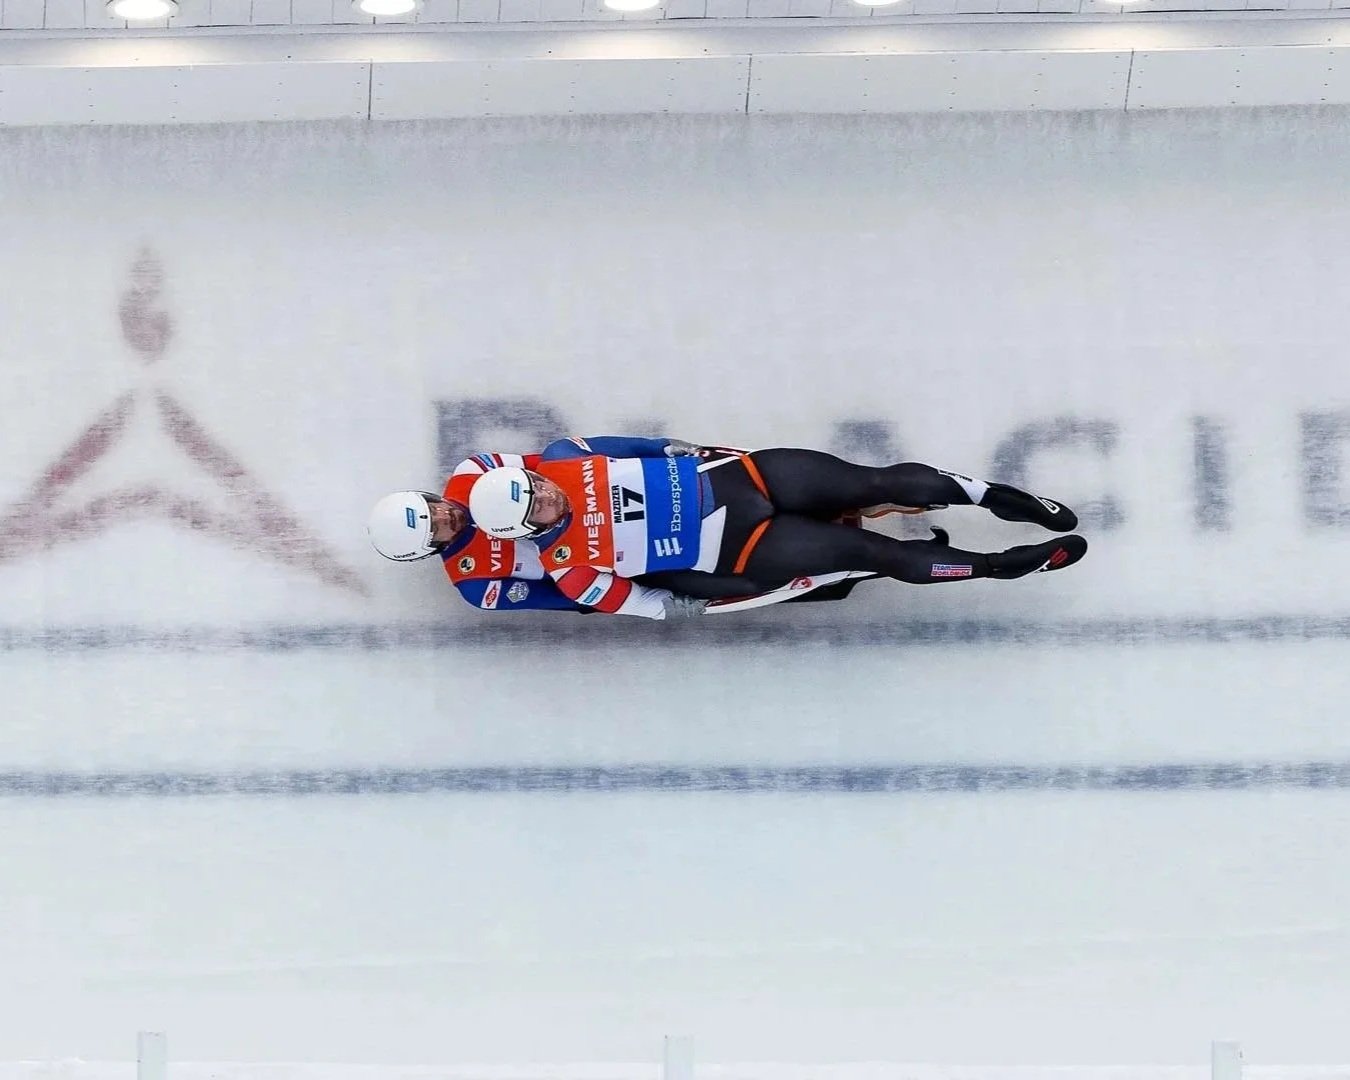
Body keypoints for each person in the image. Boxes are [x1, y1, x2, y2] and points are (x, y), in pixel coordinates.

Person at [468, 435, 1088, 619]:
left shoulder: (562, 457)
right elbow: (656, 604)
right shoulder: (572, 574)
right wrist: (726, 597)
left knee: (876, 483)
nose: (549, 492)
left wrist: (710, 451)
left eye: (538, 484)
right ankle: (1000, 566)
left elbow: (654, 446)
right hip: (745, 547)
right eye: (540, 505)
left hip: (746, 480)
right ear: (529, 530)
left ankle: (1000, 497)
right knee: (879, 555)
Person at [366, 452, 584, 612]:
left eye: (433, 508)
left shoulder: (472, 471)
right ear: (429, 549)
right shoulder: (477, 585)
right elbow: (576, 598)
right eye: (435, 528)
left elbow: (563, 463)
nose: (444, 515)